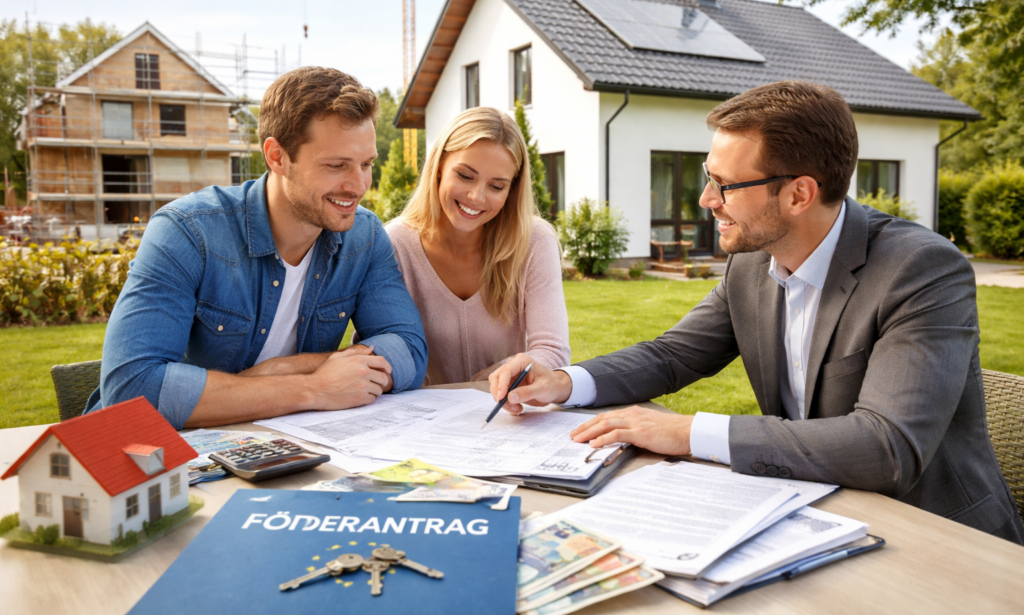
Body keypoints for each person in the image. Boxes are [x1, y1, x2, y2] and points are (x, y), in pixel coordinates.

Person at [489, 81, 1024, 544]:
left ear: (798, 194)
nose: (705, 199)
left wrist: (688, 431)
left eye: (724, 184)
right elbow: (673, 355)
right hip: (816, 513)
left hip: (936, 541)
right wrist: (563, 381)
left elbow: (886, 447)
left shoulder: (921, 269)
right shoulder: (751, 265)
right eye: (708, 176)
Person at [86, 67, 428, 429]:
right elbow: (131, 390)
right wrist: (311, 389)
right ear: (277, 156)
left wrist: (283, 368)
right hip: (166, 457)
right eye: (336, 165)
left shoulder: (364, 236)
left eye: (366, 164)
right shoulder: (188, 233)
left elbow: (409, 351)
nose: (358, 186)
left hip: (288, 446)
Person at [385, 106, 569, 385]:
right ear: (439, 168)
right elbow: (380, 349)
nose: (476, 197)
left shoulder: (535, 242)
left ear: (511, 190)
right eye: (465, 176)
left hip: (504, 411)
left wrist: (501, 375)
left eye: (496, 186)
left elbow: (552, 352)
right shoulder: (395, 243)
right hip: (420, 418)